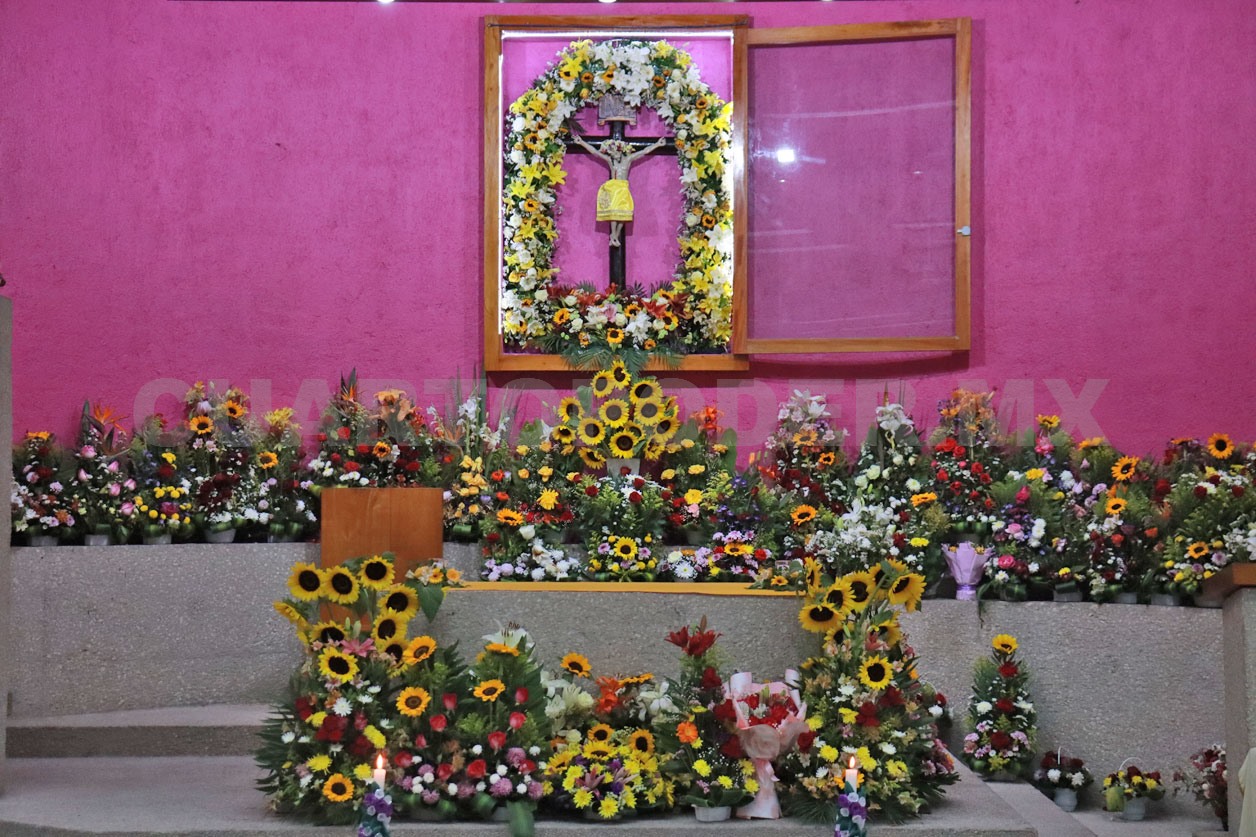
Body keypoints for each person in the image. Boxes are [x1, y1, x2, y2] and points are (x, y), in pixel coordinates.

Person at [566, 129, 669, 247]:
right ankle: (614, 236)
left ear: (620, 151)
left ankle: (614, 235)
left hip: (623, 187)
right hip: (613, 188)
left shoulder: (628, 160)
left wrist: (657, 144)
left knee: (625, 213)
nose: (614, 155)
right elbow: (595, 152)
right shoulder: (610, 161)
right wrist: (581, 142)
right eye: (612, 153)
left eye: (616, 152)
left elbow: (643, 152)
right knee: (614, 213)